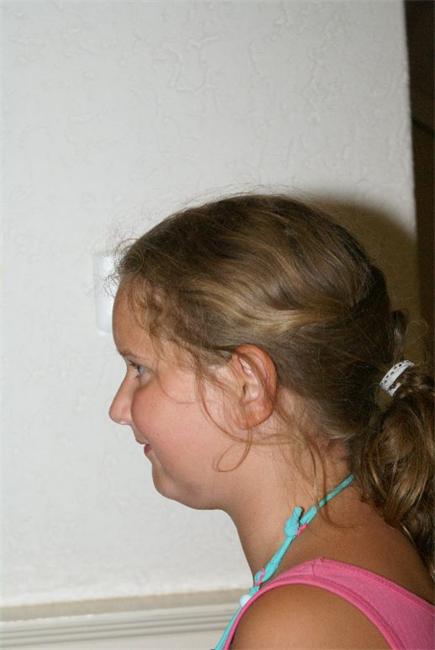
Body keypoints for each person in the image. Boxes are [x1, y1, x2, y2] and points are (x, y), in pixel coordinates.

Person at [108, 193, 434, 649]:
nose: (119, 408)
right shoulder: (365, 546)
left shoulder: (300, 626)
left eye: (140, 368)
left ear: (247, 385)